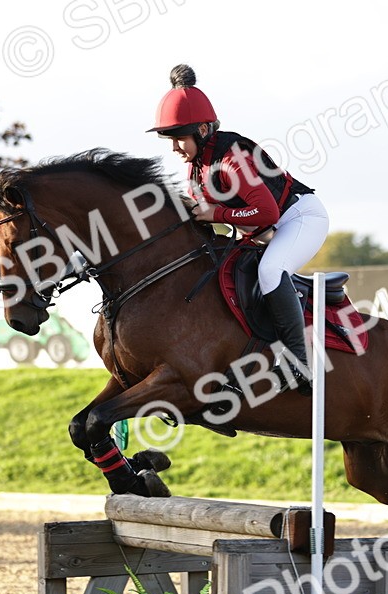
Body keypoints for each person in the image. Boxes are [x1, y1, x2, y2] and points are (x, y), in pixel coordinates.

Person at [149, 64, 329, 395]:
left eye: (178, 139)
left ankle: (300, 364)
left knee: (271, 270)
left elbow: (266, 211)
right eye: (170, 140)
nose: (174, 148)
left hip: (299, 217)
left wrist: (215, 212)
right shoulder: (196, 168)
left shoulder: (232, 158)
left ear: (202, 130)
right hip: (264, 228)